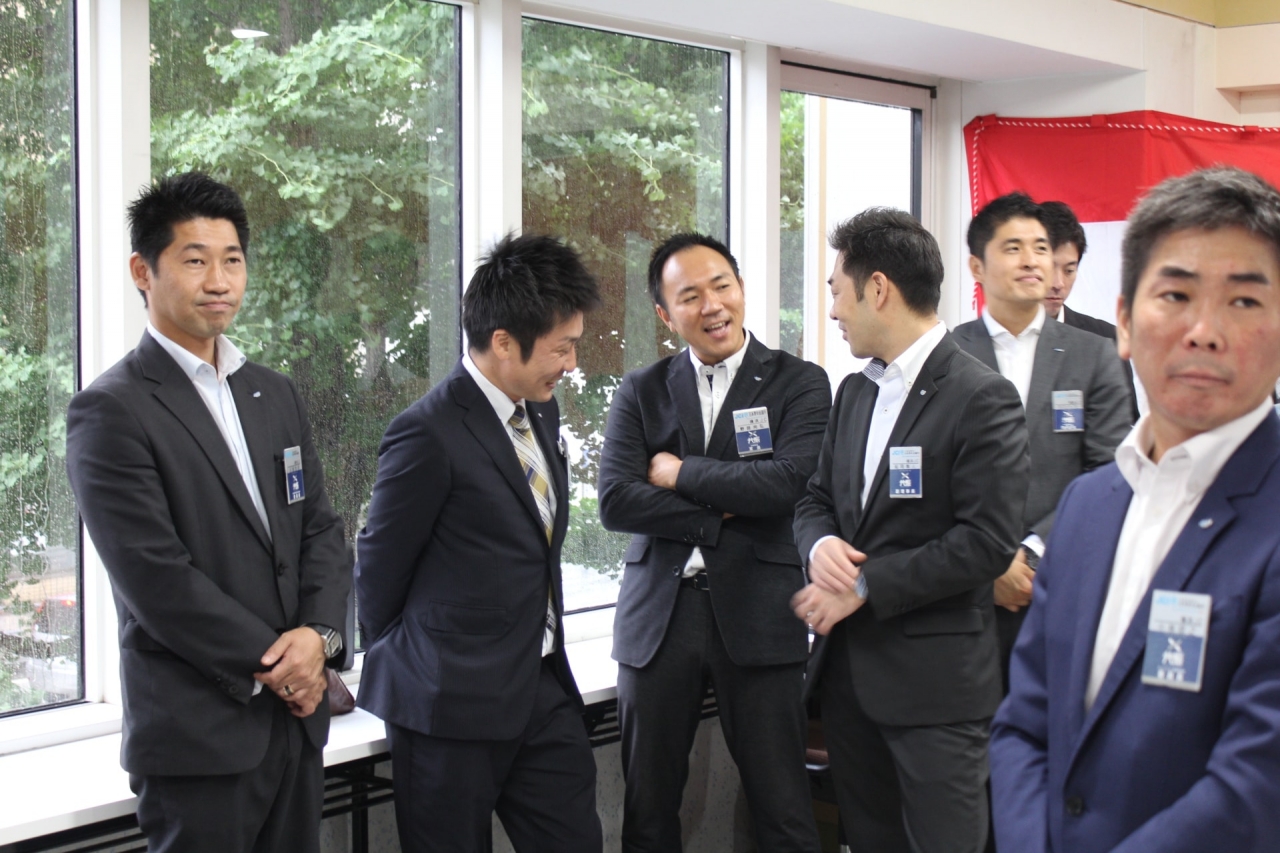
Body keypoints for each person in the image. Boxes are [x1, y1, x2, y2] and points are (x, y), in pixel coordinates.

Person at [991, 167, 1280, 852]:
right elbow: (1024, 724)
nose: (1204, 330)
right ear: (1123, 322)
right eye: (1175, 294)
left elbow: (1257, 782)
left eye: (1244, 301)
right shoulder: (1089, 503)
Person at [65, 172, 350, 853]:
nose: (219, 281)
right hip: (199, 739)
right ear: (144, 271)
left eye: (232, 260)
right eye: (195, 260)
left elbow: (318, 528)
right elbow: (157, 579)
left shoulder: (272, 392)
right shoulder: (111, 410)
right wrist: (282, 663)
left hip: (295, 727)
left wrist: (320, 638)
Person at [355, 233, 603, 853]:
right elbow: (379, 567)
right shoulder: (426, 432)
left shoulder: (539, 410)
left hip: (540, 687)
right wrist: (420, 661)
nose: (572, 363)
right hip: (450, 705)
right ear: (503, 341)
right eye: (562, 348)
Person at [791, 208, 1029, 853]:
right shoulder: (854, 392)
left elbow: (985, 543)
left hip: (936, 694)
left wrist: (864, 585)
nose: (833, 312)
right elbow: (815, 498)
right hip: (849, 684)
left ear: (878, 289)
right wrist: (819, 545)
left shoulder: (981, 396)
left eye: (836, 292)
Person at [597, 233, 830, 853]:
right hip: (658, 620)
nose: (712, 305)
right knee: (648, 814)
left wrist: (679, 473)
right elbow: (617, 501)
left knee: (783, 810)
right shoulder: (641, 389)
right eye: (690, 296)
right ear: (665, 313)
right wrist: (722, 510)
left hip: (761, 611)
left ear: (742, 289)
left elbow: (788, 483)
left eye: (722, 286)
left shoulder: (800, 382)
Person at [955, 193, 1132, 686]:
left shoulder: (1094, 355)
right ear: (977, 266)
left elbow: (1109, 474)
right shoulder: (947, 355)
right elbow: (934, 475)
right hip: (963, 600)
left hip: (1061, 587)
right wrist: (989, 566)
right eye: (1014, 248)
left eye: (1040, 247)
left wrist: (1032, 554)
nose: (1034, 261)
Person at [1040, 199, 1141, 422]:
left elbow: (1125, 428)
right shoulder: (993, 341)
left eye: (1069, 270)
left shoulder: (1107, 341)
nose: (1058, 283)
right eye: (1049, 268)